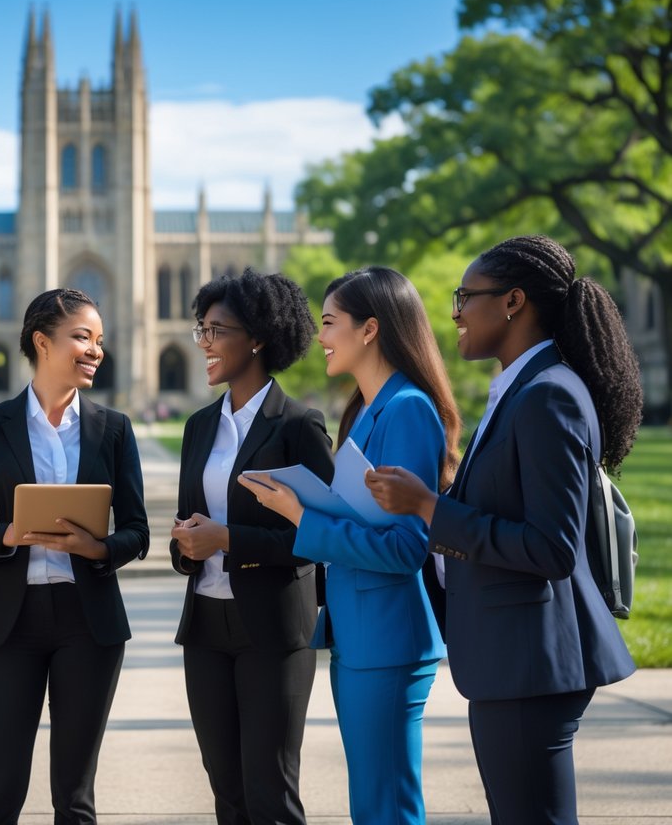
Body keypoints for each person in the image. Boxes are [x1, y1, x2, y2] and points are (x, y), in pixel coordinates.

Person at [364, 235, 640, 824]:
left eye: (467, 296)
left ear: (513, 301)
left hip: (531, 663)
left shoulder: (548, 396)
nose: (456, 312)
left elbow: (551, 547)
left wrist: (429, 508)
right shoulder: (520, 389)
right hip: (509, 658)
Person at [238, 265, 458, 823]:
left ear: (370, 330)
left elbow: (406, 548)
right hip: (360, 640)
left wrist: (299, 514)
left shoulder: (406, 409)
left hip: (387, 642)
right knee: (372, 805)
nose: (320, 336)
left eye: (331, 322)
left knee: (386, 809)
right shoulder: (364, 412)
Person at [0, 288, 149, 825]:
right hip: (8, 625)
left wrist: (97, 548)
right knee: (0, 794)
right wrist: (6, 537)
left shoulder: (114, 429)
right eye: (82, 337)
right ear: (42, 342)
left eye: (100, 340)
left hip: (90, 625)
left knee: (75, 800)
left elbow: (138, 532)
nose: (95, 350)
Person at [171, 269, 334, 825]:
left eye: (218, 331)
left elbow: (317, 537)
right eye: (202, 331)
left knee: (270, 793)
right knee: (227, 792)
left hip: (273, 629)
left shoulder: (299, 425)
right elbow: (187, 525)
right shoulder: (198, 427)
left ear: (259, 338)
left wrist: (227, 539)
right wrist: (188, 544)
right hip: (206, 627)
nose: (206, 345)